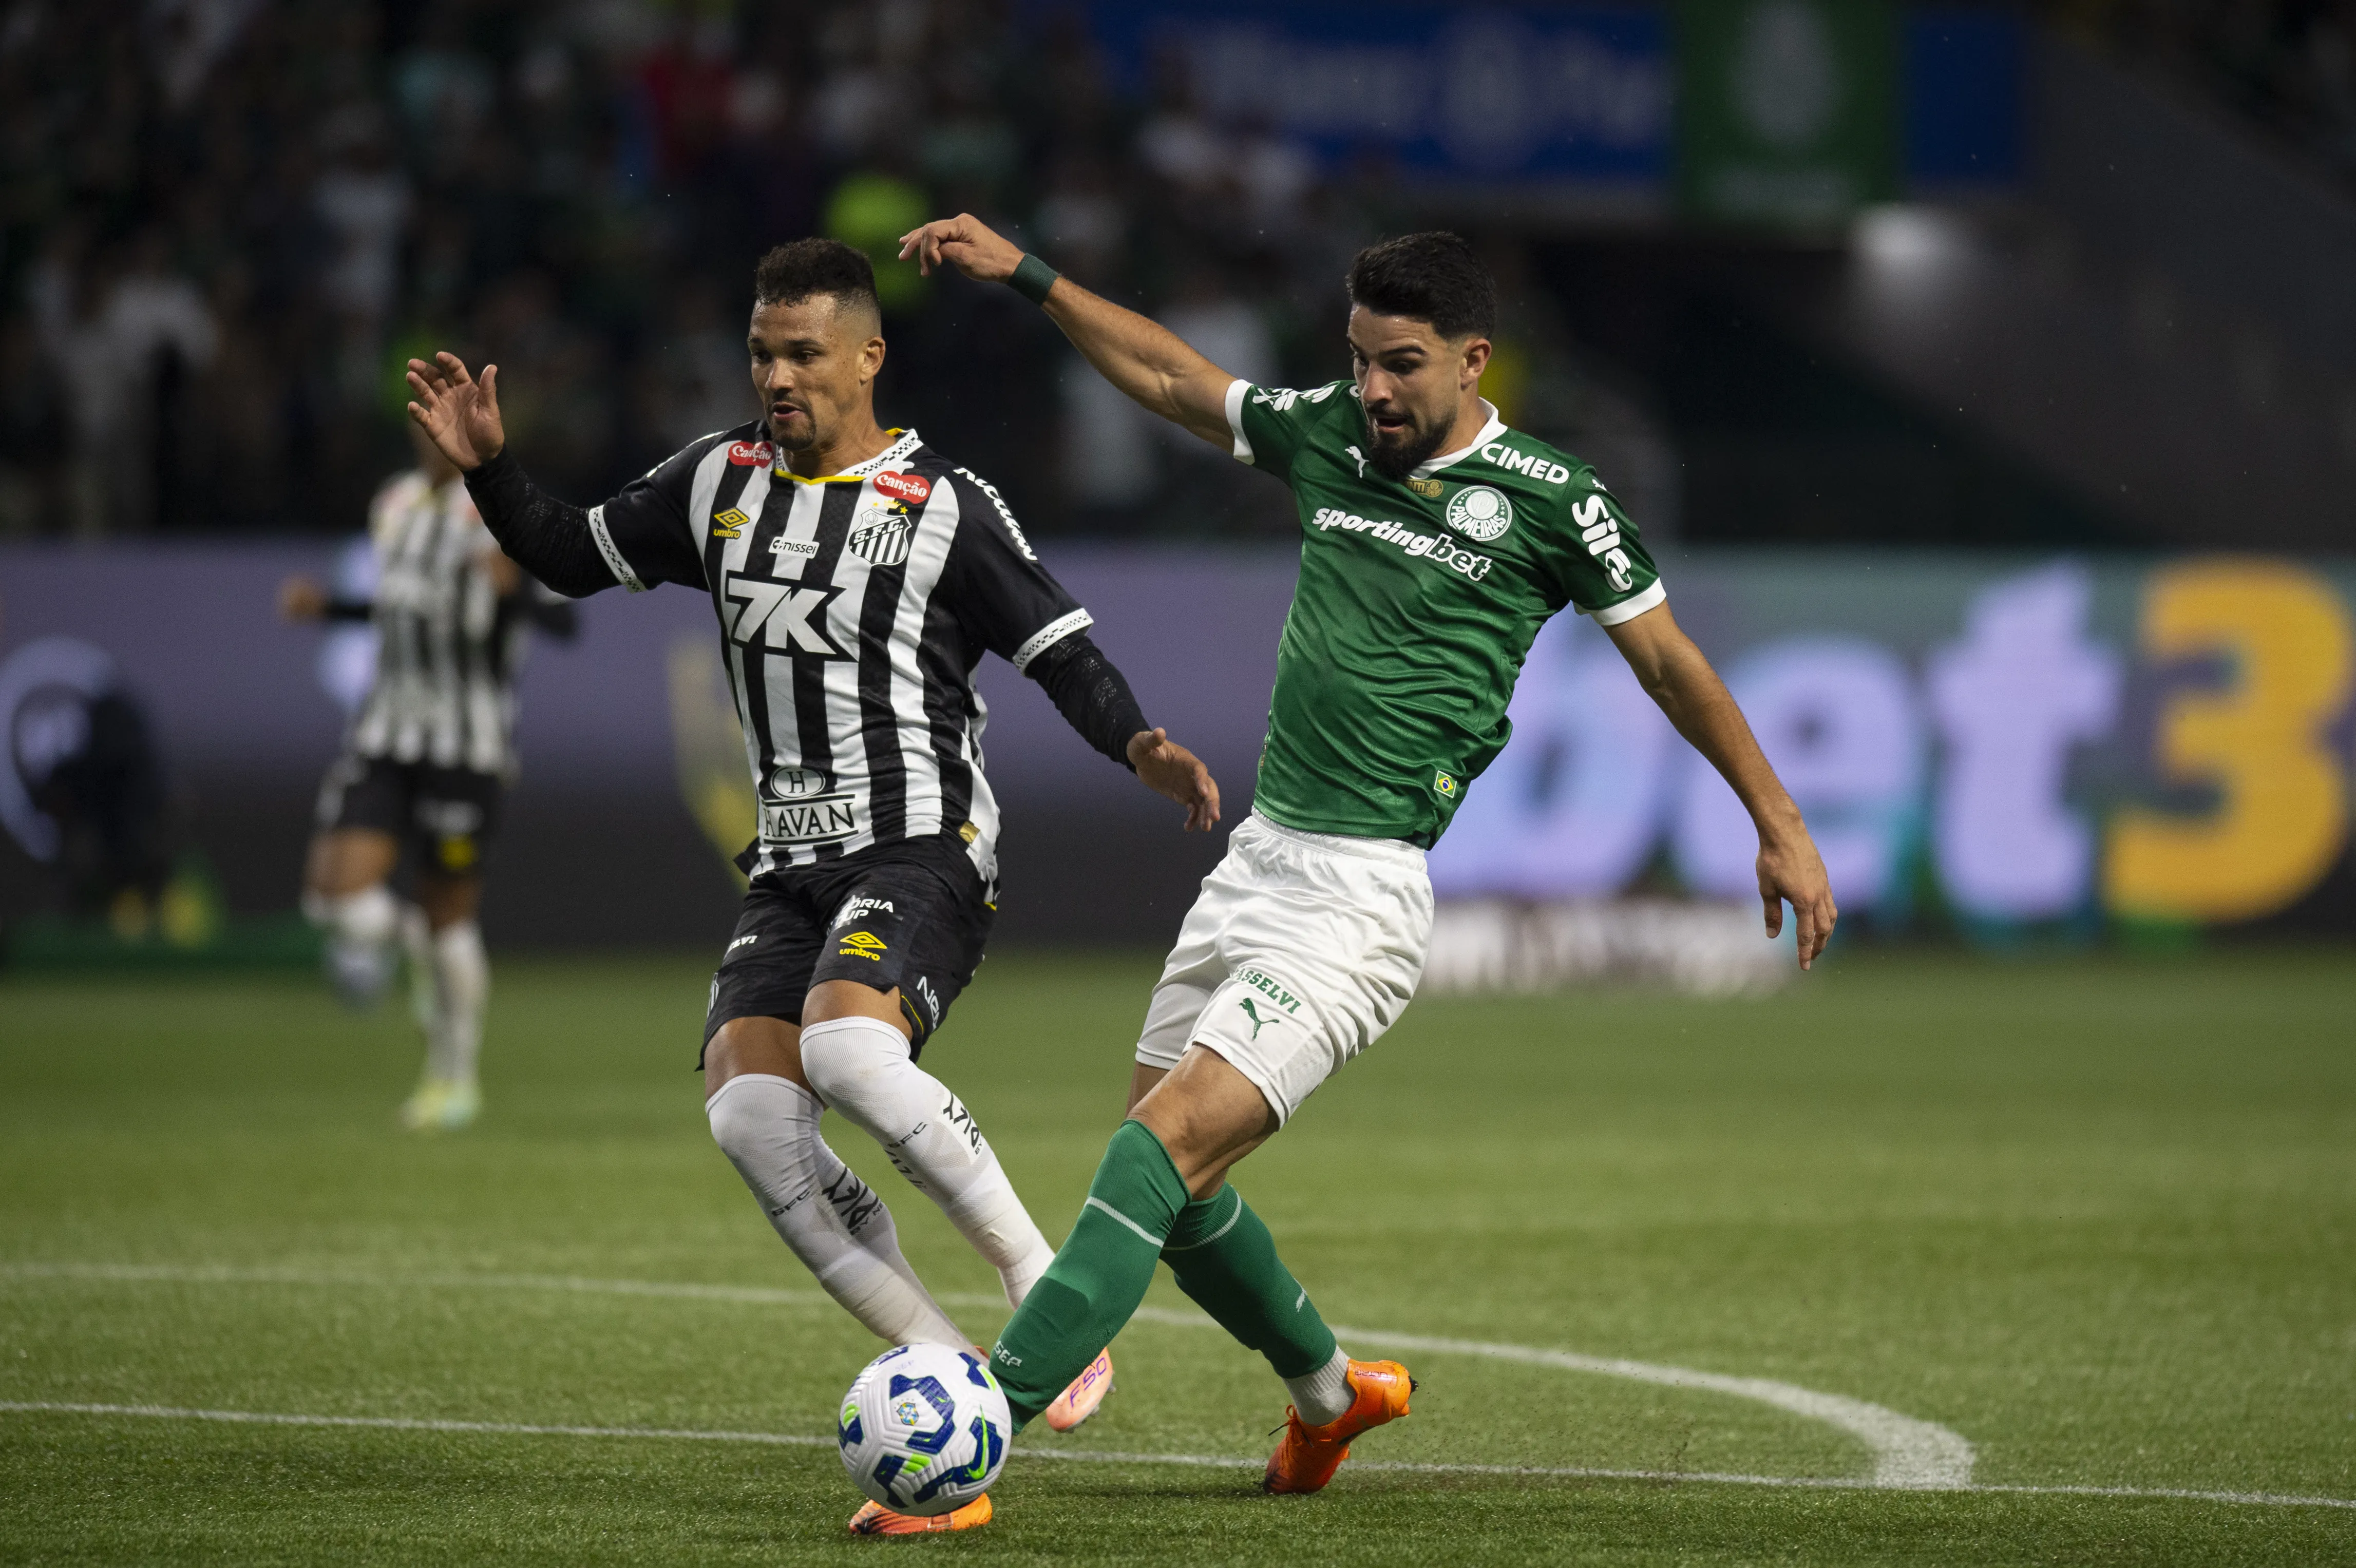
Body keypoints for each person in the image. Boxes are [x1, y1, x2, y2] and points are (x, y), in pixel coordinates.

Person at [896, 216, 1839, 1499]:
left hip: (1361, 900)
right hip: (1256, 864)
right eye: (1357, 361)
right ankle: (1331, 1401)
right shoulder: (1330, 435)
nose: (1373, 391)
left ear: (1472, 362)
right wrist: (1033, 275)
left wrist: (1777, 824)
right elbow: (1178, 380)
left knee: (1148, 1157)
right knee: (1168, 1189)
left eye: (1401, 364)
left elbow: (1668, 663)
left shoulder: (1556, 502)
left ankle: (973, 1437)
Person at [402, 238, 1222, 1536]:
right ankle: (947, 1377)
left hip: (923, 841)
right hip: (789, 862)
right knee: (747, 1121)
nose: (775, 376)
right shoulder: (716, 480)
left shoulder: (941, 503)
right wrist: (492, 468)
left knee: (844, 1052)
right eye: (760, 353)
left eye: (799, 353)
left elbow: (1056, 645)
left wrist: (1137, 741)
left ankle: (1042, 1288)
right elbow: (568, 553)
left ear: (864, 357)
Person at [282, 420, 578, 1133]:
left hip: (466, 748)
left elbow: (566, 626)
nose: (436, 443)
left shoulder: (509, 513)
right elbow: (403, 610)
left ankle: (454, 1078)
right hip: (386, 731)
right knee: (331, 895)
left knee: (451, 916)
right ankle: (415, 942)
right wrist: (332, 609)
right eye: (424, 429)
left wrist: (514, 594)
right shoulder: (396, 503)